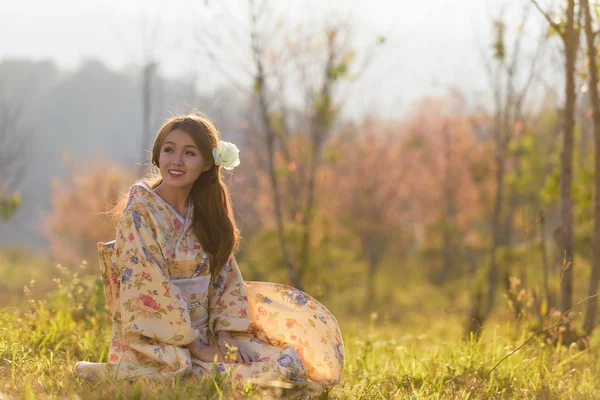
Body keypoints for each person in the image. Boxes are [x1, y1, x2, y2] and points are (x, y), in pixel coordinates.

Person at [75, 114, 344, 391]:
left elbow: (223, 277)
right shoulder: (141, 211)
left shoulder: (205, 212)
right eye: (169, 150)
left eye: (189, 153)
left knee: (287, 365)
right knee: (219, 377)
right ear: (157, 156)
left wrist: (227, 336)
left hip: (208, 332)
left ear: (206, 163)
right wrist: (198, 347)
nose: (176, 161)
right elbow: (147, 283)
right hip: (160, 338)